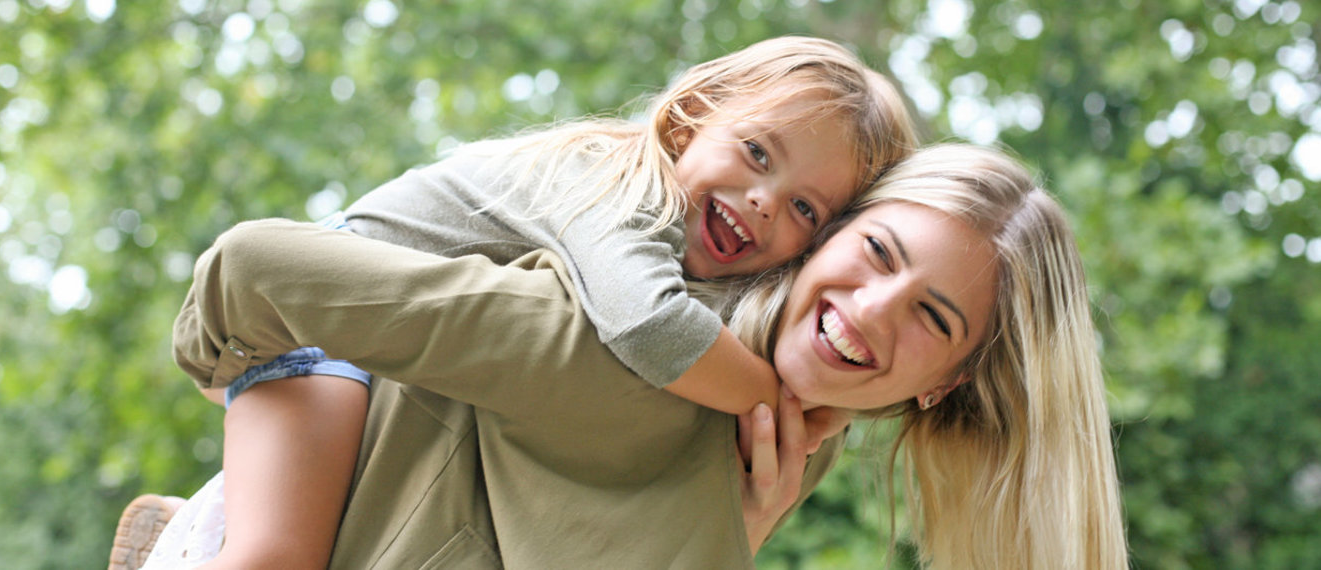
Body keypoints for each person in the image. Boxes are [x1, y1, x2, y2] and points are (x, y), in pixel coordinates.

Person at [136, 143, 1126, 569]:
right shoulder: (617, 345)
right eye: (873, 253)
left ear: (945, 381)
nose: (868, 312)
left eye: (932, 319)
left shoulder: (780, 450)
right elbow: (252, 270)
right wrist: (257, 387)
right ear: (829, 237)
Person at [131, 35, 919, 570]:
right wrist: (780, 403)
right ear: (691, 114)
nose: (761, 202)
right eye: (755, 154)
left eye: (805, 211)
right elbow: (646, 328)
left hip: (401, 368)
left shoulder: (711, 274)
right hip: (317, 329)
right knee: (276, 557)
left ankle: (178, 530)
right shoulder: (610, 183)